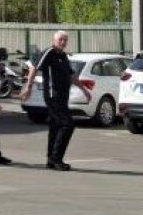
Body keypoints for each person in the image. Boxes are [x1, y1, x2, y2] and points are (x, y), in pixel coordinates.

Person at [20, 30, 91, 171]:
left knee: (55, 127)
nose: (63, 42)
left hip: (63, 96)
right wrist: (28, 87)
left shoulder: (63, 56)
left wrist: (84, 90)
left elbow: (71, 75)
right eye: (60, 39)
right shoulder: (49, 52)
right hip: (53, 96)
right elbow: (34, 67)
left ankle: (51, 160)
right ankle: (56, 158)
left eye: (65, 40)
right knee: (67, 125)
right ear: (54, 40)